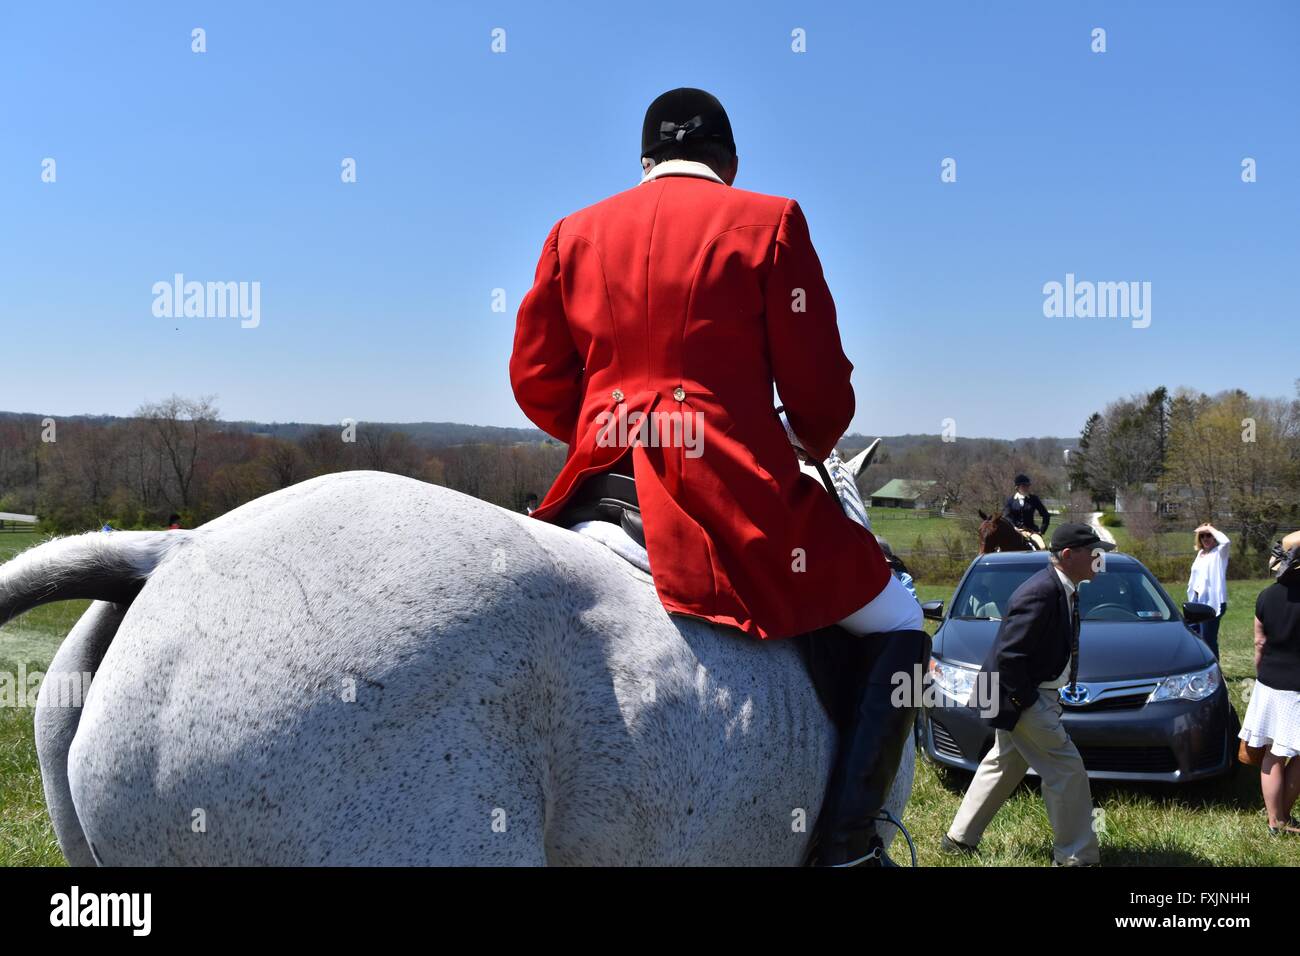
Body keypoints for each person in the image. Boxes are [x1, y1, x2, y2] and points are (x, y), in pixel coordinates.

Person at [509, 87, 929, 866]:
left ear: (642, 164)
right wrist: (799, 435)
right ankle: (848, 850)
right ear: (729, 164)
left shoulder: (573, 231)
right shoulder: (769, 222)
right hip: (729, 487)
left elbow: (534, 377)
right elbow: (819, 396)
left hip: (595, 477)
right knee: (900, 621)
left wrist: (611, 424)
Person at [941, 522, 1112, 866]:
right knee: (1067, 770)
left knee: (1004, 762)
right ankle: (1076, 857)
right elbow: (1009, 657)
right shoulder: (1041, 592)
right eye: (1092, 553)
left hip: (1024, 695)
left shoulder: (1062, 588)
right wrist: (1027, 702)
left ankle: (958, 838)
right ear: (1067, 555)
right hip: (1021, 697)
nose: (1099, 559)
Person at [1238, 530, 1300, 836]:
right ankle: (1282, 819)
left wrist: (1264, 674)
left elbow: (1260, 644)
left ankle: (1276, 820)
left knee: (1274, 752)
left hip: (1269, 683)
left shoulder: (1266, 596)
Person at [1187, 522, 1230, 659]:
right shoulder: (1200, 554)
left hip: (1212, 602)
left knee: (1208, 639)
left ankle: (1215, 669)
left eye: (1209, 535)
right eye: (1202, 536)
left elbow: (1226, 541)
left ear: (1214, 537)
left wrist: (1210, 527)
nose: (1205, 538)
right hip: (1197, 601)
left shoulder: (1219, 553)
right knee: (1194, 636)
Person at [1003, 474, 1050, 549]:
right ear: (1017, 487)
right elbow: (1006, 516)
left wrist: (1041, 531)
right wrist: (1014, 527)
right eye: (1024, 486)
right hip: (1015, 531)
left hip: (1031, 531)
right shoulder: (1010, 501)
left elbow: (1045, 515)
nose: (1027, 488)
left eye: (1028, 485)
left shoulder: (1034, 499)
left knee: (1042, 547)